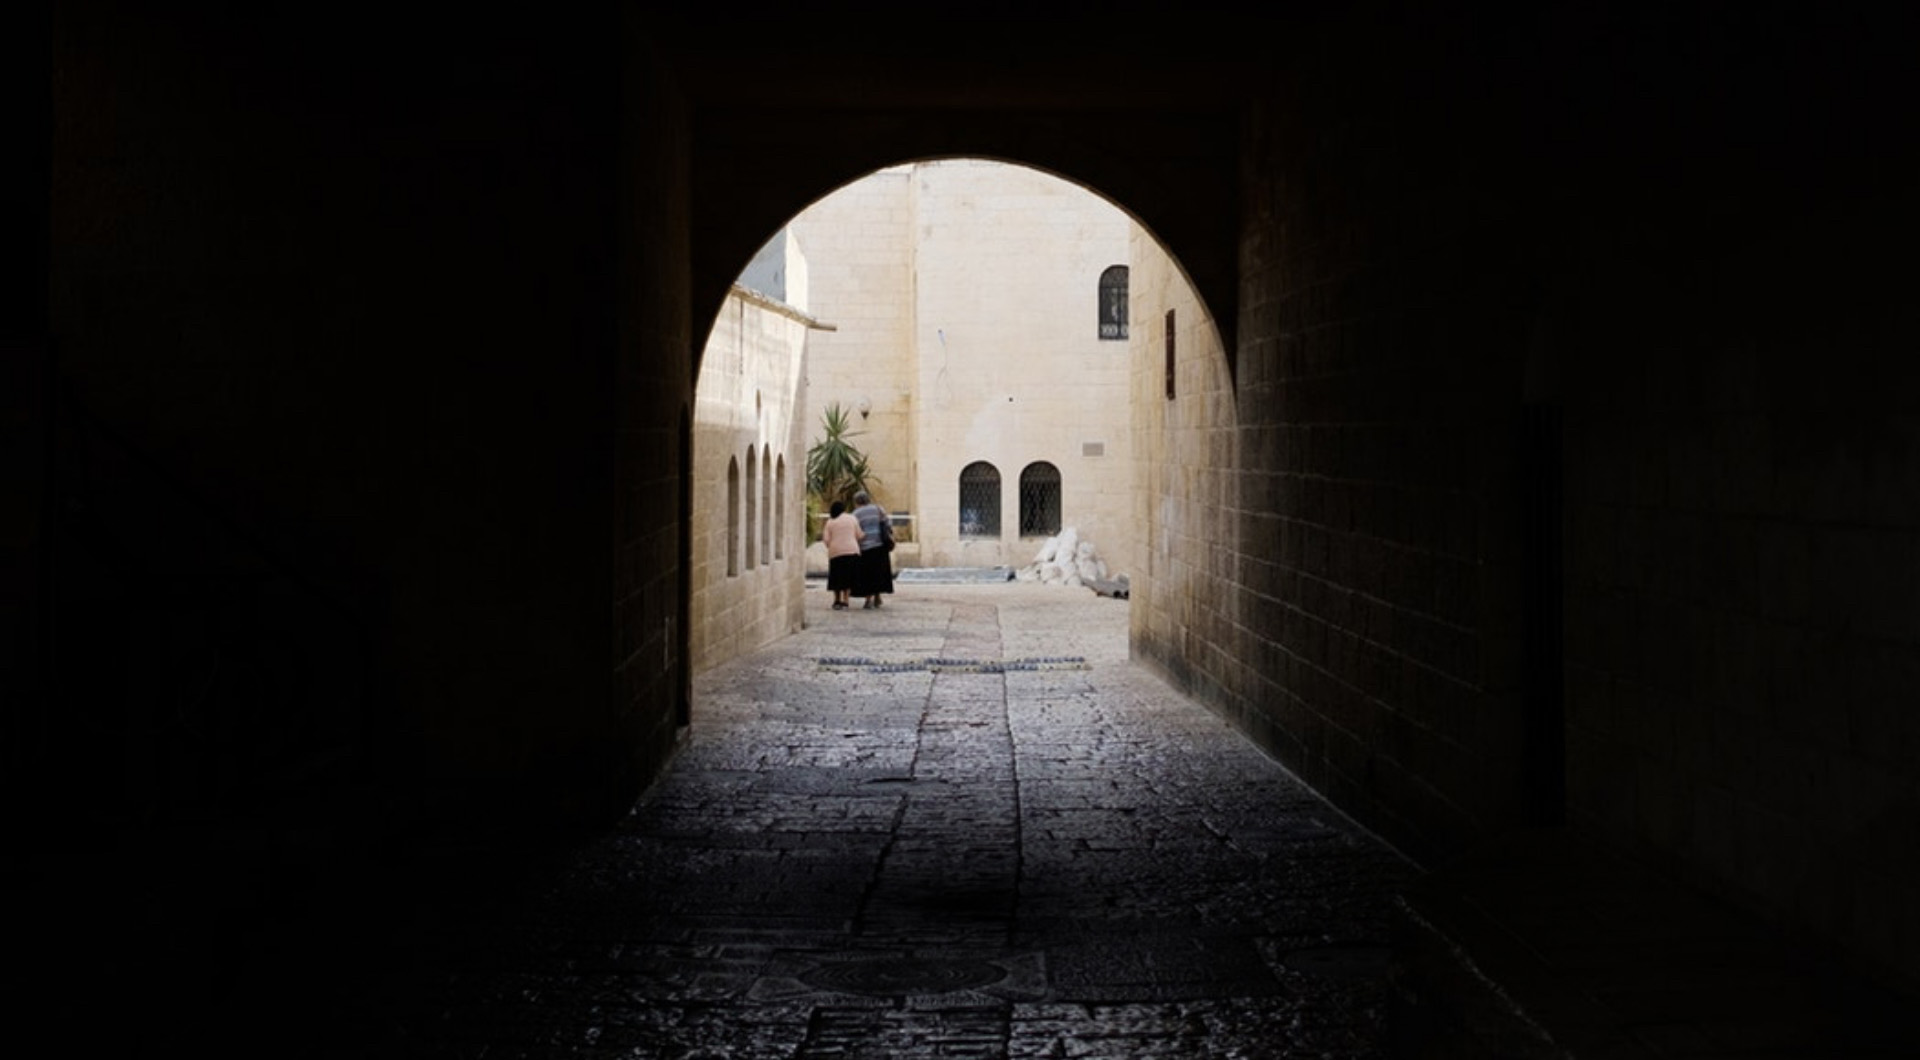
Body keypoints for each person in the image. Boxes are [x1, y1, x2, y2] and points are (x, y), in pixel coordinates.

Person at [850, 490, 894, 609]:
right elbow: (888, 524)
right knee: (879, 573)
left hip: (865, 548)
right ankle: (878, 596)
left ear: (856, 501)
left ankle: (868, 599)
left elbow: (854, 531)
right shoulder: (878, 509)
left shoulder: (855, 514)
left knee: (867, 575)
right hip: (880, 546)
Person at [820, 499, 864, 610]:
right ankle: (846, 600)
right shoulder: (852, 518)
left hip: (836, 552)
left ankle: (836, 600)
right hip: (851, 551)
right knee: (848, 577)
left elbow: (826, 539)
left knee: (836, 577)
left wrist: (833, 545)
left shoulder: (830, 522)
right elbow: (859, 535)